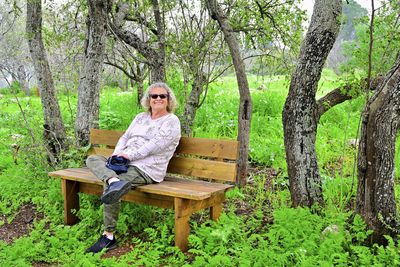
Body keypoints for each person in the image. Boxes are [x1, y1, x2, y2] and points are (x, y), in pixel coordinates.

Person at [85, 82, 181, 253]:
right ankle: (113, 179)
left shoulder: (171, 121)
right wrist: (116, 155)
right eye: (154, 96)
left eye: (162, 96)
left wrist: (130, 156)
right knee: (93, 159)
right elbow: (125, 137)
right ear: (148, 99)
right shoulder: (140, 117)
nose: (158, 99)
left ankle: (108, 236)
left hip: (147, 168)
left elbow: (156, 145)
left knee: (110, 186)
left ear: (168, 100)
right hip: (124, 162)